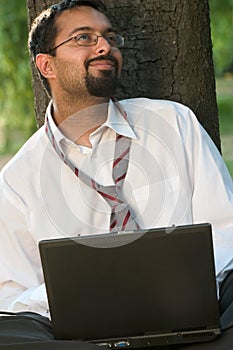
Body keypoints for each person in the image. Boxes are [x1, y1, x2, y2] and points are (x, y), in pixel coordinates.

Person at [0, 0, 233, 348]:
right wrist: (86, 292)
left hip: (198, 318)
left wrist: (176, 282)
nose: (104, 46)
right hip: (83, 338)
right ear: (46, 64)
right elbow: (11, 294)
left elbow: (227, 229)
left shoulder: (173, 123)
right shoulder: (18, 178)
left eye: (109, 37)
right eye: (84, 38)